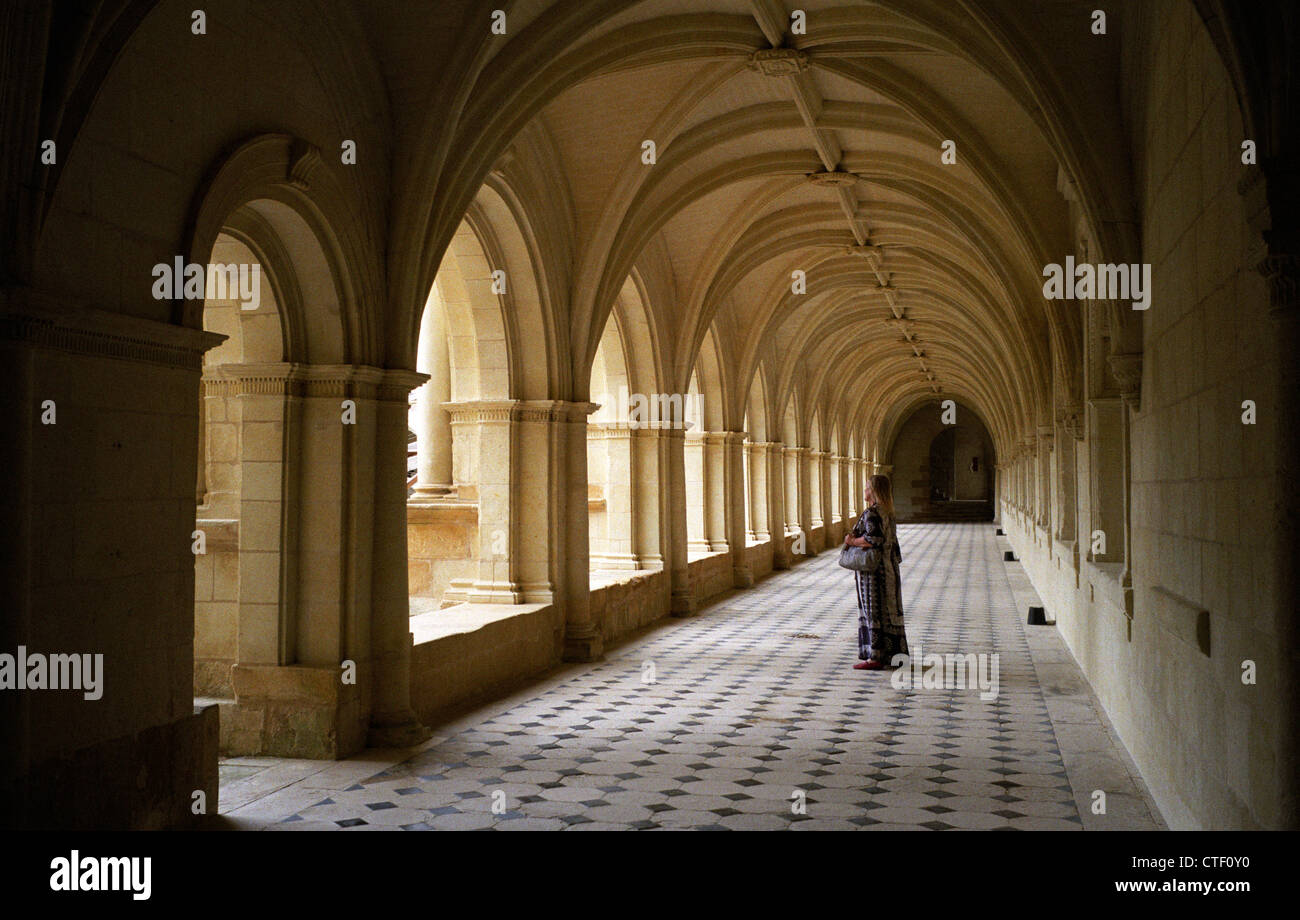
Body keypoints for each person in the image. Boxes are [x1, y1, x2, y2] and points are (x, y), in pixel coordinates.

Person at [843, 474, 909, 670]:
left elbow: (873, 540)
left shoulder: (872, 513)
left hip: (873, 573)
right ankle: (894, 654)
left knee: (873, 610)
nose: (864, 491)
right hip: (889, 569)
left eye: (867, 488)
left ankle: (875, 656)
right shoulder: (888, 513)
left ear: (874, 491)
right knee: (890, 611)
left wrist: (852, 542)